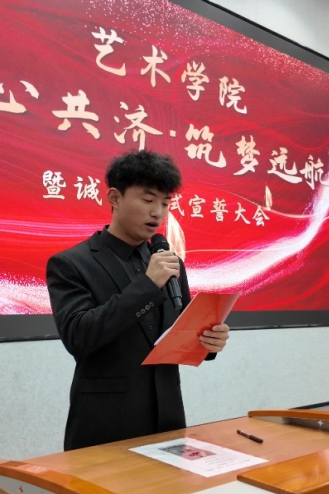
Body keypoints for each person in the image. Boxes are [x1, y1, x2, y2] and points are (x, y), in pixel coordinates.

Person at [46, 150, 230, 451]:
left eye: (165, 203)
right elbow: (79, 337)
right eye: (147, 200)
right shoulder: (71, 263)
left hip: (168, 415)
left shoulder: (170, 263)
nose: (157, 212)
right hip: (106, 421)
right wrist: (146, 285)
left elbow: (179, 331)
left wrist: (209, 341)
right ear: (115, 198)